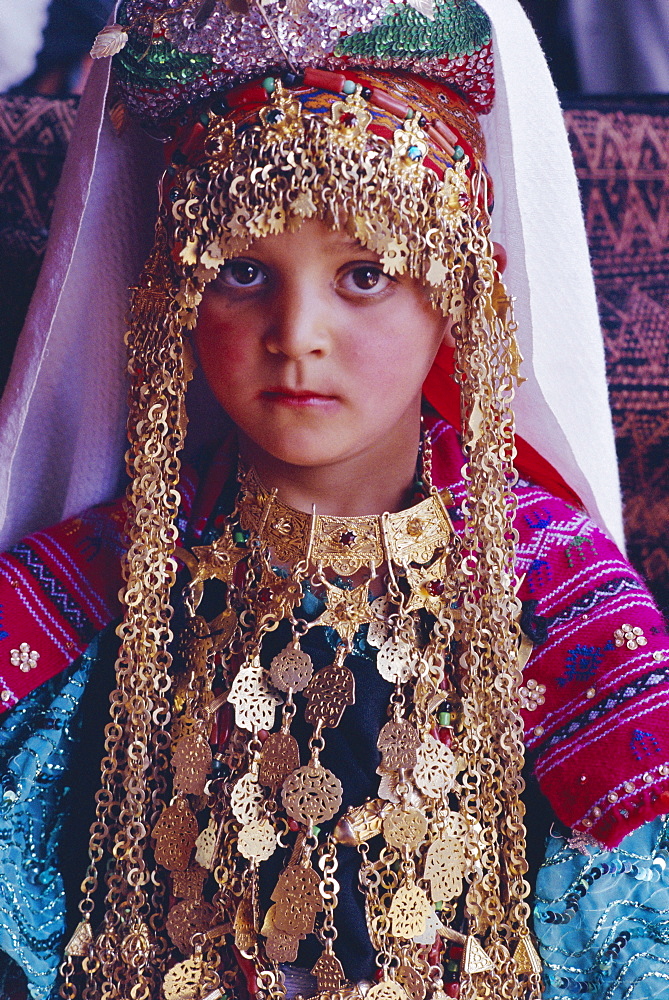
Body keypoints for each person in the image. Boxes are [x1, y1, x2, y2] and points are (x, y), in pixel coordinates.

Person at [0, 2, 668, 1000]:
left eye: (364, 273)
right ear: (173, 297)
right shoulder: (102, 586)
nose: (297, 332)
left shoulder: (555, 592)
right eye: (240, 272)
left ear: (458, 293)